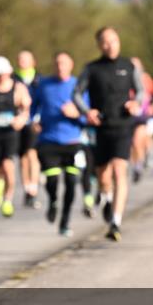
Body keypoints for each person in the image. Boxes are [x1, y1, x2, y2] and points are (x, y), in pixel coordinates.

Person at [72, 27, 143, 241]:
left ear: (119, 42)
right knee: (103, 174)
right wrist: (87, 112)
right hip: (101, 127)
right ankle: (106, 195)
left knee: (120, 170)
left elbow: (140, 90)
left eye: (114, 40)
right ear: (99, 45)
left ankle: (116, 222)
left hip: (123, 125)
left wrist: (136, 102)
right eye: (105, 42)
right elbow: (76, 93)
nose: (110, 45)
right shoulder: (92, 69)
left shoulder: (129, 66)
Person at [32, 52, 87, 236]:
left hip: (73, 142)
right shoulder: (44, 85)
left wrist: (77, 114)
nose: (60, 67)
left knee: (72, 182)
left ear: (71, 66)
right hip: (48, 141)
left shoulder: (79, 86)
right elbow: (33, 106)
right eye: (57, 63)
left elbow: (90, 115)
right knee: (53, 180)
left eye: (64, 63)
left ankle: (64, 221)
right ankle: (53, 200)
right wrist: (33, 120)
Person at [0, 56, 31, 218]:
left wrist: (21, 119)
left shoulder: (18, 87)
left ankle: (8, 201)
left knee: (8, 165)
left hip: (11, 132)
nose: (0, 77)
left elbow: (26, 108)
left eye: (3, 74)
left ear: (9, 72)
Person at [15, 50, 42, 208]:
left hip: (33, 122)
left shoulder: (39, 79)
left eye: (26, 59)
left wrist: (38, 119)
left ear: (33, 62)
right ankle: (27, 190)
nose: (22, 61)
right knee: (23, 157)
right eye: (20, 59)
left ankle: (33, 189)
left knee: (32, 154)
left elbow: (43, 101)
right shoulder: (13, 78)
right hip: (19, 122)